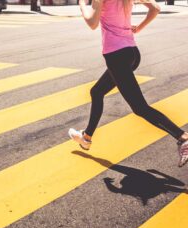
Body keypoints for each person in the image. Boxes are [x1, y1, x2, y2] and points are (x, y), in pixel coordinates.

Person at [68, 0, 188, 166]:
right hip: (132, 53)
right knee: (97, 92)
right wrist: (138, 28)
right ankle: (86, 137)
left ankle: (183, 137)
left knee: (140, 108)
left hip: (116, 56)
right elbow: (155, 8)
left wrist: (81, 4)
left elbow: (92, 23)